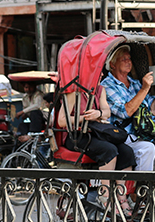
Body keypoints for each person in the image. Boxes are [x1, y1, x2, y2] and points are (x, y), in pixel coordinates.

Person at [57, 82, 135, 213]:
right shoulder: (74, 92)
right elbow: (61, 121)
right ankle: (105, 194)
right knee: (108, 150)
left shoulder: (100, 90)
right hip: (76, 136)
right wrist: (85, 117)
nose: (101, 76)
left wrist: (98, 113)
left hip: (96, 133)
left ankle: (122, 197)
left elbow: (107, 112)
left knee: (126, 151)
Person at [101, 45, 155, 172]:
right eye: (124, 59)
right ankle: (141, 188)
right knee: (147, 148)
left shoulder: (135, 83)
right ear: (112, 64)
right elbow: (125, 112)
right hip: (121, 135)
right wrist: (145, 88)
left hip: (142, 134)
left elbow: (153, 111)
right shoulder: (106, 86)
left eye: (129, 58)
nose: (128, 62)